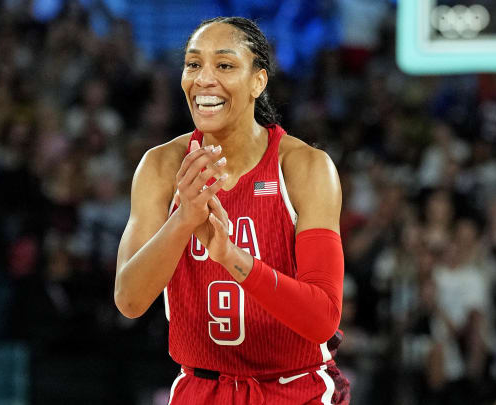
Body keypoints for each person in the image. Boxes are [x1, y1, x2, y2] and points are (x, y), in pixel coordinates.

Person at [113, 16, 350, 405]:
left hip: (294, 389)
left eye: (224, 65)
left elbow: (323, 319)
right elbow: (129, 300)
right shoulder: (160, 166)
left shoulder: (305, 167)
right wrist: (183, 219)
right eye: (193, 64)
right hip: (201, 388)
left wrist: (230, 257)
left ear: (258, 81)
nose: (204, 79)